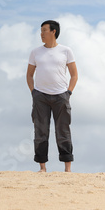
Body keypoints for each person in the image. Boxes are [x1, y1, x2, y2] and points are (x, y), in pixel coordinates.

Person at [26, 20, 78, 172]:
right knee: (40, 131)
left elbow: (74, 75)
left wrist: (68, 92)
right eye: (41, 31)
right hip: (40, 96)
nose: (41, 34)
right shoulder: (35, 52)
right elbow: (29, 75)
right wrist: (33, 92)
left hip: (61, 95)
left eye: (44, 30)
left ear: (53, 32)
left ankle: (67, 168)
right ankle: (42, 167)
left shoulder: (66, 51)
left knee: (63, 131)